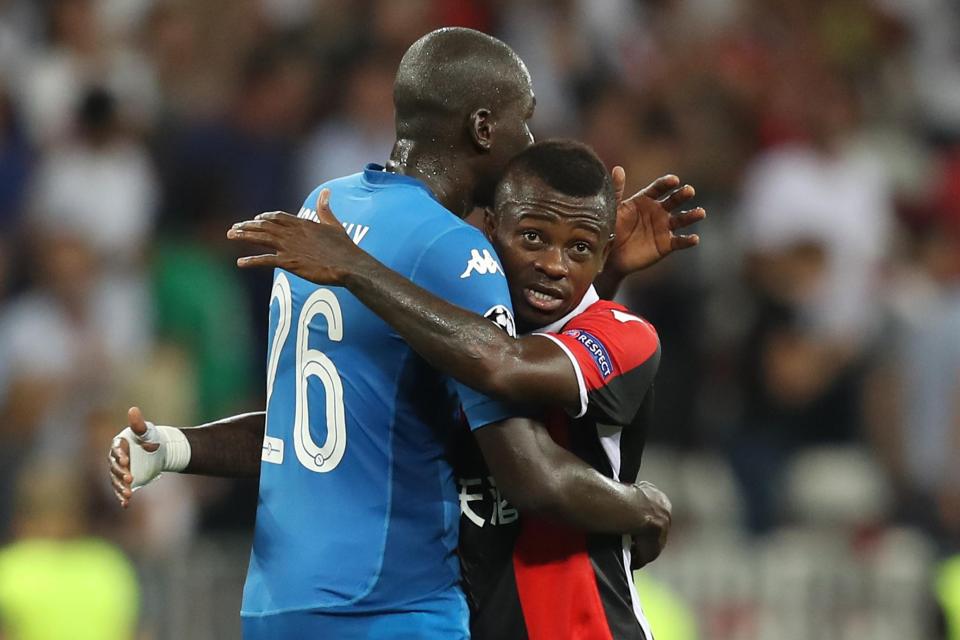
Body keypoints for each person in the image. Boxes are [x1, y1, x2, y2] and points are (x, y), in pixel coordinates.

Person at [110, 29, 688, 639]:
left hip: (277, 604)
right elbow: (526, 461)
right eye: (527, 122)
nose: (531, 142)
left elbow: (310, 425)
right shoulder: (455, 249)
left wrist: (178, 447)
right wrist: (641, 508)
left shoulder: (324, 208)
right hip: (391, 605)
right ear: (484, 129)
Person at [227, 139, 703, 639]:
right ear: (490, 232)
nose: (555, 264)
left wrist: (355, 267)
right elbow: (308, 428)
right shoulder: (453, 344)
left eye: (579, 247)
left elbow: (509, 368)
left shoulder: (626, 335)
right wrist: (172, 446)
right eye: (534, 238)